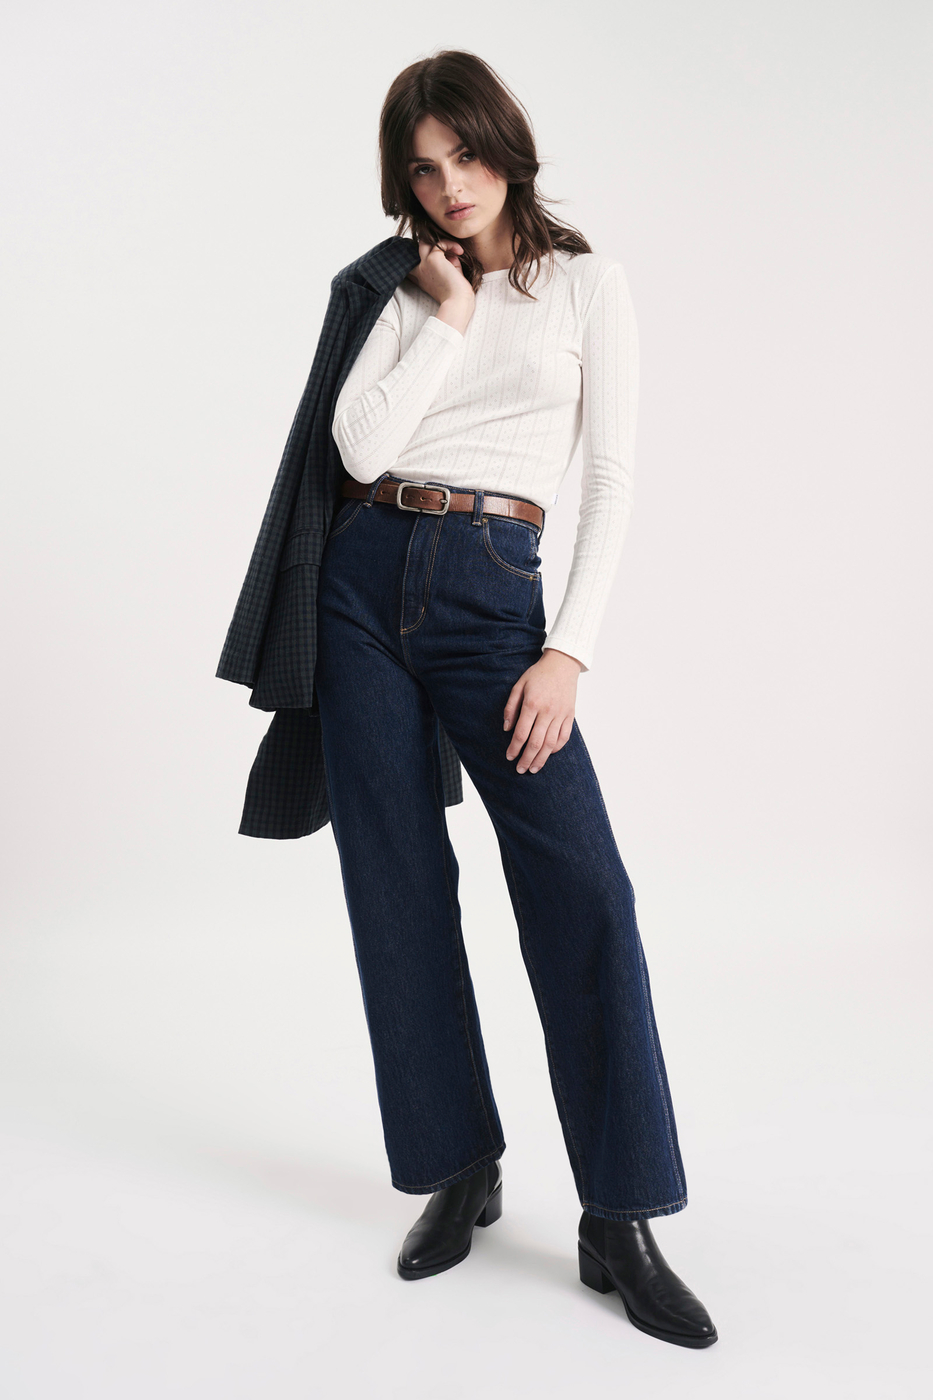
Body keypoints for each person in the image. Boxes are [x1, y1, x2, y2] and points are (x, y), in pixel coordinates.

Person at [313, 50, 717, 1348]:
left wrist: (568, 652)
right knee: (394, 881)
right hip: (364, 585)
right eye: (424, 169)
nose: (450, 186)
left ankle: (619, 1215)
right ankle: (457, 1167)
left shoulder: (585, 285)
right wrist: (444, 315)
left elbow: (613, 481)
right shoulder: (408, 290)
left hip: (495, 596)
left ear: (506, 147)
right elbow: (360, 448)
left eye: (467, 156)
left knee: (582, 889)